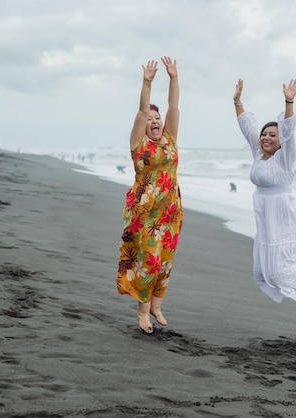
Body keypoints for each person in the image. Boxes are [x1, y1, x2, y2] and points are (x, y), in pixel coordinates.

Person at [233, 78, 296, 313]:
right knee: (262, 272)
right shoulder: (258, 153)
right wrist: (237, 102)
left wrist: (289, 101)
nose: (266, 137)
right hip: (265, 217)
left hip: (283, 215)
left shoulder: (285, 158)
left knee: (279, 270)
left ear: (281, 142)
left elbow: (286, 128)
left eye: (272, 135)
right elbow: (247, 127)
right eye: (264, 134)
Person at [117, 57, 183, 333]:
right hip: (145, 214)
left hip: (170, 212)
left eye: (158, 119)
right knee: (149, 261)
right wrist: (147, 82)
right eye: (151, 119)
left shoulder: (169, 138)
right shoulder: (138, 144)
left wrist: (173, 78)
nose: (155, 121)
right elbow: (143, 110)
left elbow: (174, 106)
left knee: (165, 261)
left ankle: (156, 305)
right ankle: (143, 312)